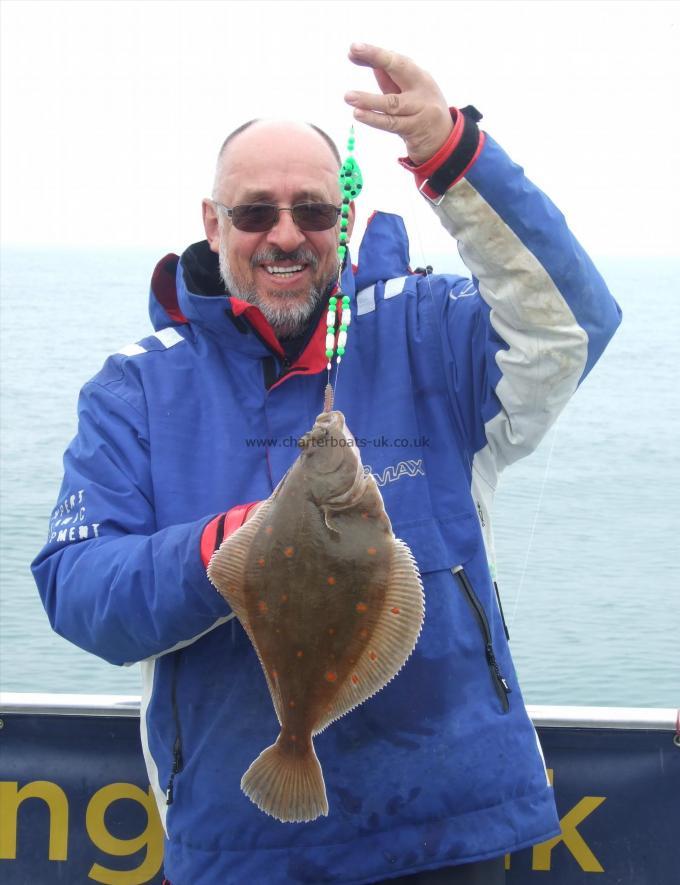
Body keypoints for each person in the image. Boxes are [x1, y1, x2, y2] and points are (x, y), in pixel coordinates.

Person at [32, 43, 621, 885]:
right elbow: (78, 589)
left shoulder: (429, 333)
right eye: (253, 213)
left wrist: (452, 153)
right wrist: (229, 548)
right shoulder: (135, 388)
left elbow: (571, 325)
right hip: (241, 846)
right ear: (211, 222)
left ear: (344, 218)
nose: (285, 234)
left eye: (313, 210)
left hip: (448, 830)